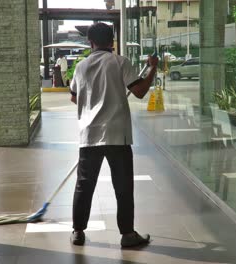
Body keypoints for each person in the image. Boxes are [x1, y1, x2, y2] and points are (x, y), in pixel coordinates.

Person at [69, 23, 158, 247]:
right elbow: (139, 91)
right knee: (123, 186)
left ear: (90, 42)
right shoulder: (120, 62)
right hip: (117, 136)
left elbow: (73, 97)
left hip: (89, 135)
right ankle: (127, 235)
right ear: (112, 42)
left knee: (84, 185)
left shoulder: (80, 67)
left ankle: (78, 232)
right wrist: (152, 68)